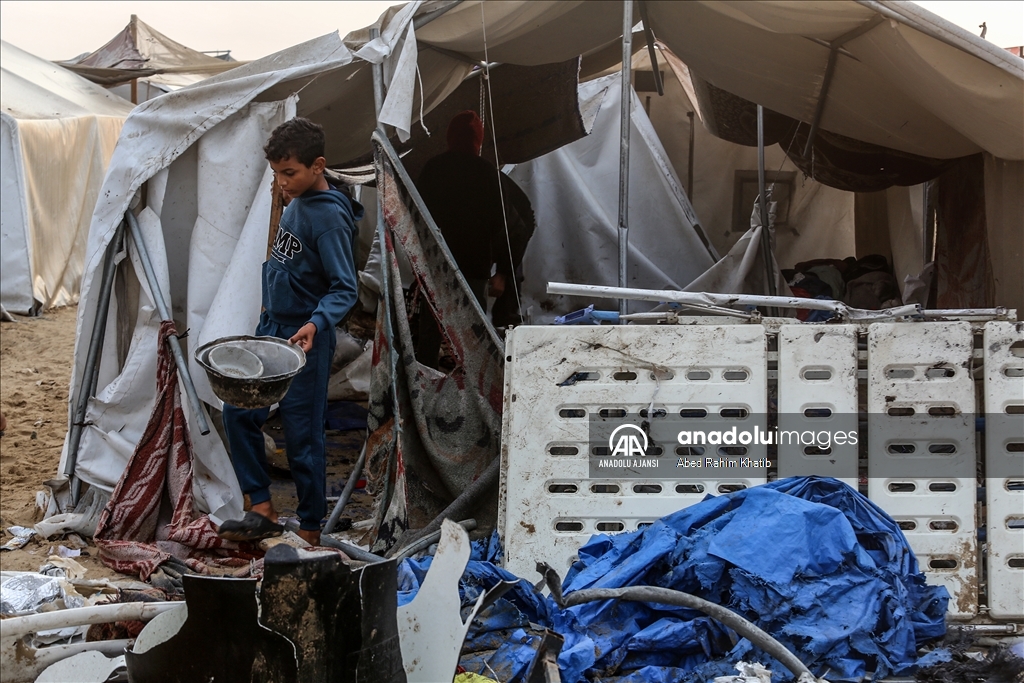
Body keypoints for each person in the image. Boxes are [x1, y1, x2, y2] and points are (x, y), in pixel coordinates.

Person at [217, 118, 362, 547]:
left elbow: (344, 287)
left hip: (305, 340)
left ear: (318, 166)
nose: (282, 183)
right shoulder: (295, 201)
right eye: (277, 174)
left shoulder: (330, 218)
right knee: (239, 411)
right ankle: (261, 508)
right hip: (272, 329)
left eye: (290, 173)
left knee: (303, 437)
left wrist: (316, 324)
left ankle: (311, 530)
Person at [415, 110, 533, 365]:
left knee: (429, 338)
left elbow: (414, 219)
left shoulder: (433, 170)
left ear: (449, 137)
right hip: (474, 269)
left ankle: (425, 392)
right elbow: (517, 227)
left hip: (435, 267)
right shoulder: (487, 173)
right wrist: (503, 271)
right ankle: (474, 393)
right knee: (472, 339)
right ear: (478, 141)